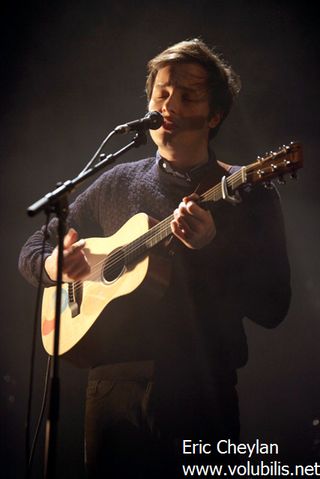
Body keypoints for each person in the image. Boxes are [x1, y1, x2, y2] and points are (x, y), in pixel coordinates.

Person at [19, 39, 291, 478]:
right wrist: (54, 264)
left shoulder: (250, 192)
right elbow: (33, 248)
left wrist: (212, 248)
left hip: (203, 394)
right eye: (161, 92)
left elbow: (275, 306)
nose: (169, 104)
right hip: (111, 394)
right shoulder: (114, 182)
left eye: (188, 95)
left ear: (214, 115)